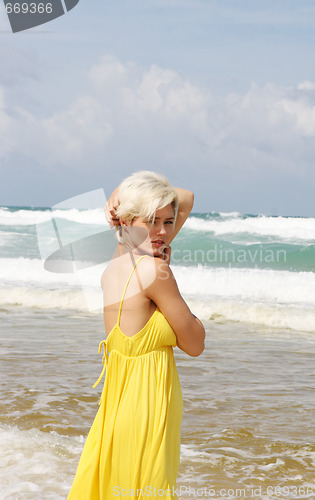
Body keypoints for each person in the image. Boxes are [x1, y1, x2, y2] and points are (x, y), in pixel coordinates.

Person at [67, 171, 205, 500]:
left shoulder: (115, 265)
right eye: (152, 221)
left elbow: (184, 198)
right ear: (128, 221)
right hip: (149, 402)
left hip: (118, 403)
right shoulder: (156, 271)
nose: (162, 232)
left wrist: (120, 194)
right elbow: (195, 344)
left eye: (169, 222)